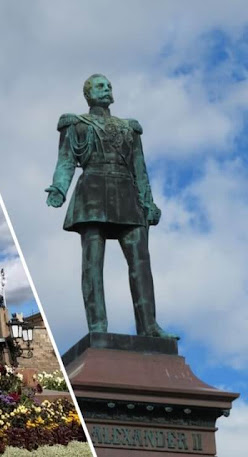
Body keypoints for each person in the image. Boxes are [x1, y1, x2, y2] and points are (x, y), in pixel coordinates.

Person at [45, 74, 176, 339]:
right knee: (93, 264)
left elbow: (140, 169)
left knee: (141, 262)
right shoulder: (77, 124)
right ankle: (97, 327)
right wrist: (59, 188)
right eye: (99, 86)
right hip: (92, 191)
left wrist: (148, 202)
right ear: (88, 94)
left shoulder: (129, 128)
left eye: (108, 86)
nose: (106, 90)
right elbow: (67, 160)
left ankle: (148, 326)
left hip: (127, 194)